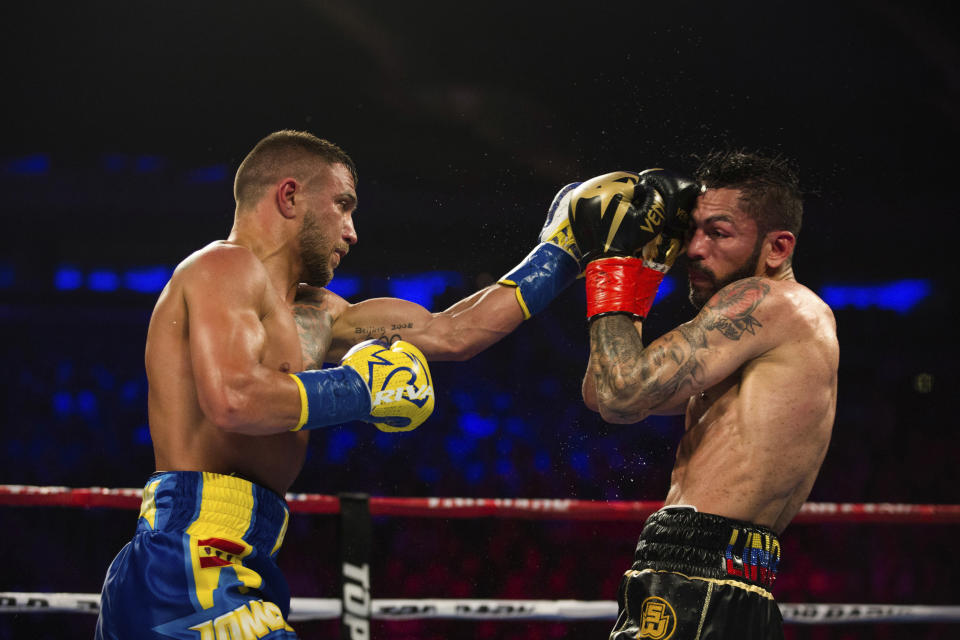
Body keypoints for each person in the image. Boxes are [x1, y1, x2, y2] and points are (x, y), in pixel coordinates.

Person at [95, 129, 584, 639]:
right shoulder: (223, 266)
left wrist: (561, 254)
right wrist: (360, 389)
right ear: (289, 196)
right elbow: (235, 400)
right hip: (189, 562)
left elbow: (454, 332)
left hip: (236, 557)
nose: (352, 233)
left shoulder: (320, 314)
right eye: (343, 206)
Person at [571, 154, 838, 639]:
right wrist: (646, 267)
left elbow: (621, 395)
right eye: (690, 231)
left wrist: (611, 264)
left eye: (718, 233)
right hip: (732, 575)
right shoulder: (767, 330)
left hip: (695, 574)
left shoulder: (768, 302)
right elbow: (603, 393)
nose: (692, 249)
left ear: (777, 247)